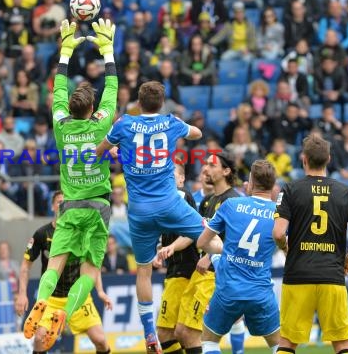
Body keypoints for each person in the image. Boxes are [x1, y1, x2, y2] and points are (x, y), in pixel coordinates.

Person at [96, 81, 212, 353]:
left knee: (144, 272)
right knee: (212, 237)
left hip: (139, 211)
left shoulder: (124, 123)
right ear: (161, 103)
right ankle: (232, 269)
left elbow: (100, 151)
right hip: (169, 203)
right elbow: (197, 132)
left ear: (138, 101)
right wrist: (179, 125)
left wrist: (112, 149)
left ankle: (149, 333)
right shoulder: (170, 122)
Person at [23, 18, 118, 351]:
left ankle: (42, 303)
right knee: (89, 274)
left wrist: (65, 50)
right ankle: (63, 315)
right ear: (91, 108)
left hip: (69, 206)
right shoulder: (101, 124)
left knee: (54, 265)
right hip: (99, 206)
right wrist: (106, 49)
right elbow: (113, 88)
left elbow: (57, 89)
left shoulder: (61, 125)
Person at [273, 134, 348, 354]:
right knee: (343, 345)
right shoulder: (347, 192)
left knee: (287, 343)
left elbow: (278, 233)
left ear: (303, 159)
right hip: (332, 276)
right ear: (329, 158)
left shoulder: (290, 189)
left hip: (298, 275)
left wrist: (287, 249)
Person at [197, 160, 281, 354]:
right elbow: (286, 246)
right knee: (279, 345)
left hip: (228, 290)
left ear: (250, 181)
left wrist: (219, 256)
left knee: (209, 341)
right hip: (260, 292)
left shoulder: (231, 205)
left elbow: (202, 243)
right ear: (273, 185)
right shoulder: (278, 214)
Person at [15, 191, 112, 354]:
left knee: (101, 341)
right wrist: (22, 294)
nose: (62, 205)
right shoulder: (41, 234)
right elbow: (26, 266)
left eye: (64, 202)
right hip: (52, 298)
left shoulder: (81, 231)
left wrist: (100, 291)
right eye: (59, 202)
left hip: (79, 298)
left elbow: (92, 265)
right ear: (53, 206)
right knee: (39, 340)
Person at [177, 152, 242, 354]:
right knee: (180, 331)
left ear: (226, 171)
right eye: (205, 164)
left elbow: (236, 239)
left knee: (195, 334)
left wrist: (208, 256)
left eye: (212, 165)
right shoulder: (209, 200)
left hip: (216, 274)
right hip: (202, 273)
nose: (205, 168)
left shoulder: (234, 200)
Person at [153, 163, 199, 354]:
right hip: (175, 271)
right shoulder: (166, 201)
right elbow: (166, 236)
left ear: (181, 179)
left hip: (184, 270)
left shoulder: (180, 194)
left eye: (172, 176)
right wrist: (159, 250)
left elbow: (191, 234)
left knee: (167, 332)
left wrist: (170, 247)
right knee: (176, 332)